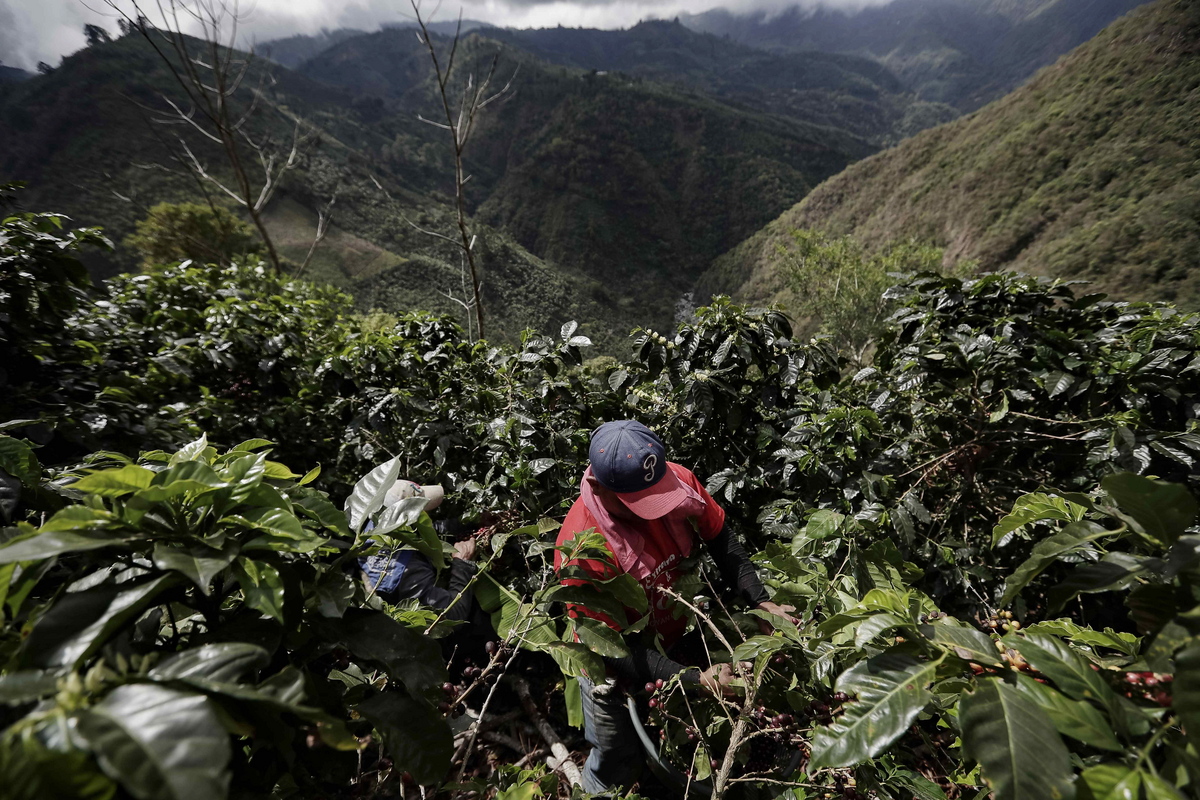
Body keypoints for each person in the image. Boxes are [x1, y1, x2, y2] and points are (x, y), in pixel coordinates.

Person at [553, 420, 798, 794]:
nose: (654, 512)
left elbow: (720, 537)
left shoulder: (676, 481)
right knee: (616, 759)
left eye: (656, 496)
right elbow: (609, 647)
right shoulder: (580, 552)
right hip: (612, 664)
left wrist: (761, 601)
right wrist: (695, 680)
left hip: (675, 636)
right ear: (598, 488)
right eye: (639, 503)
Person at [359, 479, 488, 631]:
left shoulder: (375, 526)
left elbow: (425, 530)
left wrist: (473, 521)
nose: (428, 513)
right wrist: (462, 564)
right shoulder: (409, 573)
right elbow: (452, 615)